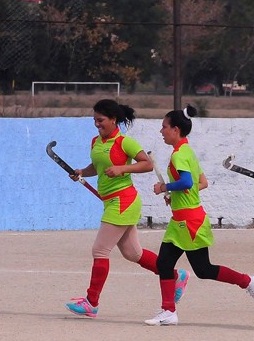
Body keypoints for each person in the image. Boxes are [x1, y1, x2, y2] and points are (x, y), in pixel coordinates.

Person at [65, 99, 189, 318]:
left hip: (122, 201)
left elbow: (146, 163)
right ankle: (175, 275)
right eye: (94, 120)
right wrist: (82, 172)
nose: (97, 124)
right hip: (113, 202)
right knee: (134, 254)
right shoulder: (96, 141)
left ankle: (91, 302)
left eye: (101, 120)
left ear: (114, 120)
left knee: (100, 250)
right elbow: (98, 166)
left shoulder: (125, 142)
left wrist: (122, 168)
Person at [146, 105, 254, 326]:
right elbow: (203, 183)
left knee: (203, 269)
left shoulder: (180, 154)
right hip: (182, 220)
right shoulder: (186, 151)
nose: (161, 131)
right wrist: (176, 196)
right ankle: (168, 311)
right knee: (164, 263)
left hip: (189, 223)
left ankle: (248, 282)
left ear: (176, 129)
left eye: (164, 127)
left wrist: (164, 187)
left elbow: (188, 182)